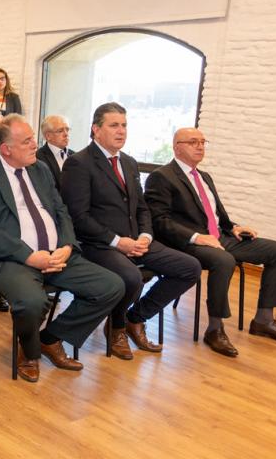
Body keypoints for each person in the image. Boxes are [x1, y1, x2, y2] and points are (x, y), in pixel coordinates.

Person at [0, 115, 124, 382]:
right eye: (26, 141)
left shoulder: (40, 170)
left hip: (56, 254)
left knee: (112, 286)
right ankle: (29, 350)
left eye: (32, 139)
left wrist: (68, 246)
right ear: (6, 149)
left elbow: (61, 212)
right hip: (12, 259)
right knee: (31, 301)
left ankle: (49, 339)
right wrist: (28, 256)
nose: (34, 145)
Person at [60, 102, 201, 360]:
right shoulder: (78, 163)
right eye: (114, 125)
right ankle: (116, 329)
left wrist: (145, 235)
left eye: (124, 125)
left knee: (190, 267)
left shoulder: (129, 162)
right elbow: (78, 217)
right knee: (132, 277)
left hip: (137, 240)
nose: (121, 131)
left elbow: (142, 207)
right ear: (96, 129)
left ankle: (134, 318)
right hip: (98, 244)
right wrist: (117, 242)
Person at [144, 127, 276, 355]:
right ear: (177, 147)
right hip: (188, 243)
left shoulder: (204, 176)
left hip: (220, 237)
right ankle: (215, 329)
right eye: (193, 142)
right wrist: (198, 237)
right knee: (224, 261)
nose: (200, 146)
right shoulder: (162, 176)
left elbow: (216, 215)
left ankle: (264, 320)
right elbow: (160, 221)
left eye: (202, 142)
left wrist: (234, 227)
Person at [35, 115, 73, 190]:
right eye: (60, 131)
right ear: (48, 136)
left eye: (67, 130)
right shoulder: (38, 157)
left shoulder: (75, 156)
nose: (66, 134)